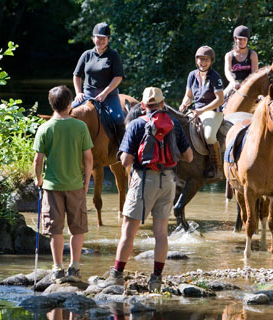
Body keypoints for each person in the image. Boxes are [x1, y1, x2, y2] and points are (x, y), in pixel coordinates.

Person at [99, 87, 193, 291]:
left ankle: (117, 275)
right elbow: (189, 157)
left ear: (142, 105)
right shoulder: (175, 124)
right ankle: (156, 278)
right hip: (168, 181)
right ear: (162, 104)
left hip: (143, 181)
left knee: (128, 231)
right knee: (161, 232)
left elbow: (125, 161)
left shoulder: (135, 124)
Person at [33, 85, 93, 283]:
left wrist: (38, 179)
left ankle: (57, 268)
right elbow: (88, 158)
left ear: (51, 105)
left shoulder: (45, 128)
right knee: (77, 228)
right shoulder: (80, 127)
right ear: (70, 104)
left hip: (51, 187)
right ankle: (75, 267)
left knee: (55, 230)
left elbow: (38, 160)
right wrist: (86, 181)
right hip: (75, 185)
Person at [72, 22, 126, 139]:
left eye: (104, 38)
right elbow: (76, 75)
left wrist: (105, 93)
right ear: (93, 38)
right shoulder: (86, 55)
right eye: (98, 38)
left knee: (119, 118)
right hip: (87, 95)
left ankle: (122, 150)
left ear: (108, 39)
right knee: (66, 112)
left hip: (109, 96)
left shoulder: (113, 55)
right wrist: (78, 92)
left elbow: (118, 77)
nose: (100, 41)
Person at [178, 46, 224, 179]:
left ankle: (215, 166)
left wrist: (202, 110)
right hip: (196, 110)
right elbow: (188, 95)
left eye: (206, 60)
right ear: (196, 60)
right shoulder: (192, 75)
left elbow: (220, 99)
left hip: (213, 112)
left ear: (211, 61)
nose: (203, 62)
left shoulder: (215, 76)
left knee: (209, 136)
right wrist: (183, 104)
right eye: (200, 59)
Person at [223, 25, 259, 97]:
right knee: (220, 99)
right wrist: (233, 82)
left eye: (244, 39)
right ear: (235, 39)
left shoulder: (253, 55)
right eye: (240, 39)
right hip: (234, 84)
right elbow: (227, 71)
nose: (242, 42)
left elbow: (254, 73)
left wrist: (246, 84)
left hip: (249, 84)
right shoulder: (229, 55)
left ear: (247, 40)